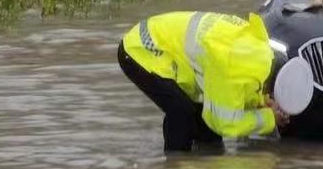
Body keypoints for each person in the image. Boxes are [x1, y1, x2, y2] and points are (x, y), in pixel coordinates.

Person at [118, 11, 287, 152]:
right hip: (142, 48)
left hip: (179, 52)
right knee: (181, 112)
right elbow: (225, 123)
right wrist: (269, 118)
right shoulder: (231, 64)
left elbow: (245, 88)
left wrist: (261, 102)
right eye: (272, 96)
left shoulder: (261, 56)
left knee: (209, 135)